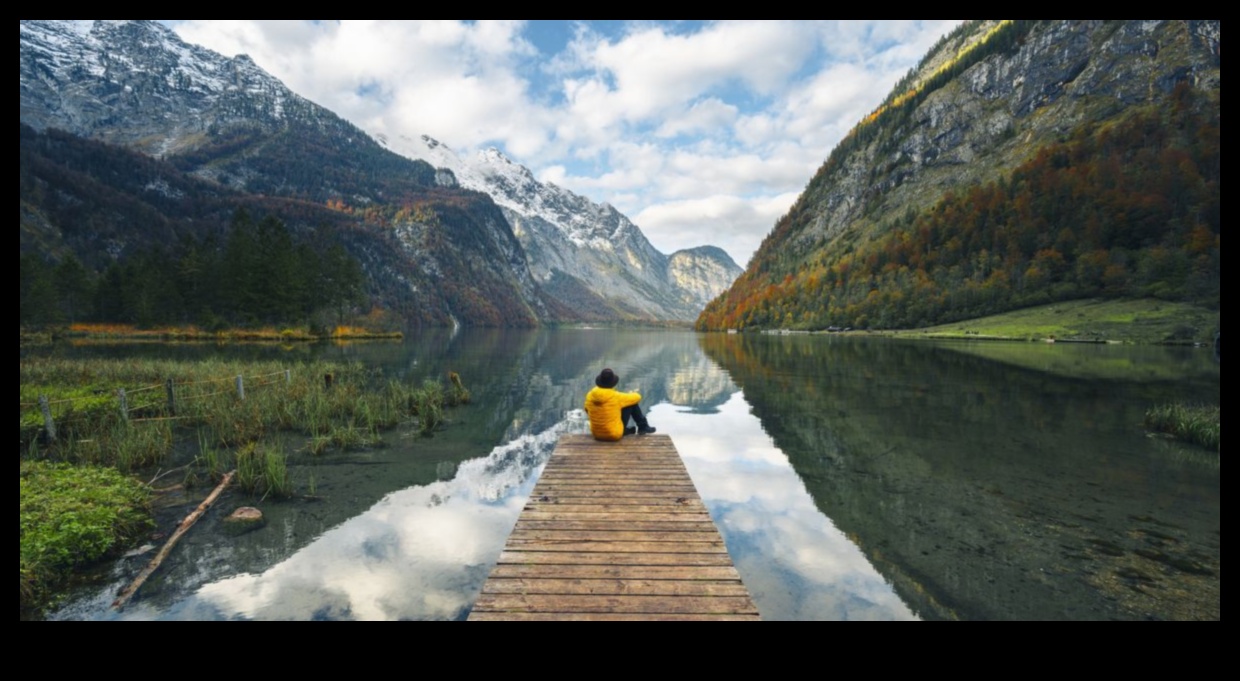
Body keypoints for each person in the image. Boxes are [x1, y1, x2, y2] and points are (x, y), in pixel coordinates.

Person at [584, 368, 656, 441]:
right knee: (631, 403)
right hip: (614, 434)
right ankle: (643, 427)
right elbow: (638, 397)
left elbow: (587, 410)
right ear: (612, 383)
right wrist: (630, 393)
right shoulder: (616, 396)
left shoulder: (590, 396)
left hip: (596, 434)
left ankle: (627, 430)